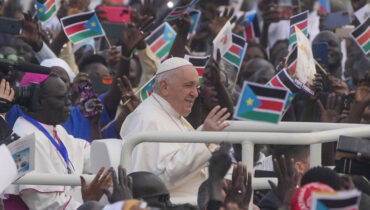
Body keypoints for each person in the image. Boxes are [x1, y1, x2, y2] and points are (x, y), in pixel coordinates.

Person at [120, 57, 231, 204]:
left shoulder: (174, 115)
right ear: (165, 87)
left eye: (196, 86)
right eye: (188, 86)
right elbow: (158, 180)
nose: (195, 94)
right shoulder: (147, 119)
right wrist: (204, 139)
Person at [6, 74, 110, 209]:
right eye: (61, 97)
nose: (69, 102)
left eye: (68, 96)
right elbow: (46, 205)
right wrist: (87, 203)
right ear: (38, 101)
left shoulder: (56, 130)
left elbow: (88, 154)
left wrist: (111, 170)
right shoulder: (24, 140)